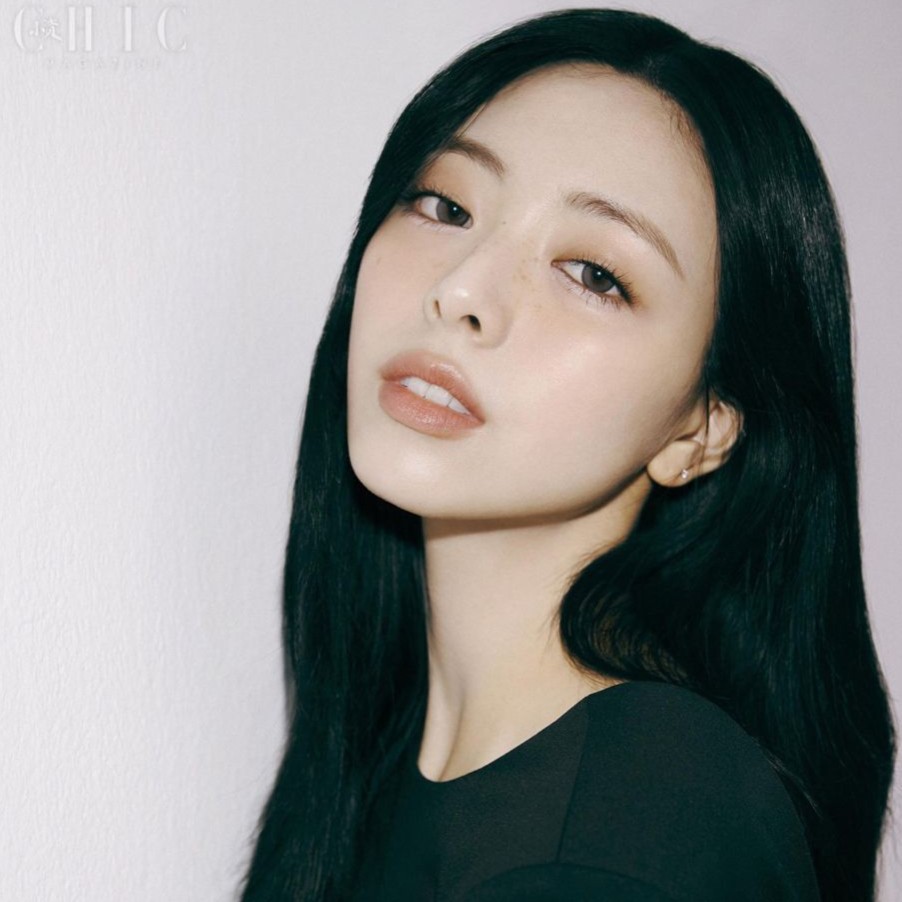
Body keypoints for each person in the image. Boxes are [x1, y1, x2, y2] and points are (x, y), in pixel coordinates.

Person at [238, 8, 896, 901]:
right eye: (448, 206)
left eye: (594, 274)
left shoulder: (623, 840)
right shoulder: (390, 763)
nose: (461, 291)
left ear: (700, 429)